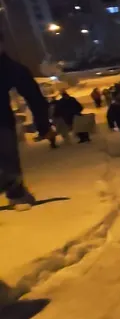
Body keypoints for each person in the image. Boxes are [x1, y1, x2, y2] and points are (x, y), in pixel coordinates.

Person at [1, 50, 53, 210]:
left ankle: (16, 192)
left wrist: (43, 125)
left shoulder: (9, 67)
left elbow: (33, 95)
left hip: (1, 122)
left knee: (7, 154)